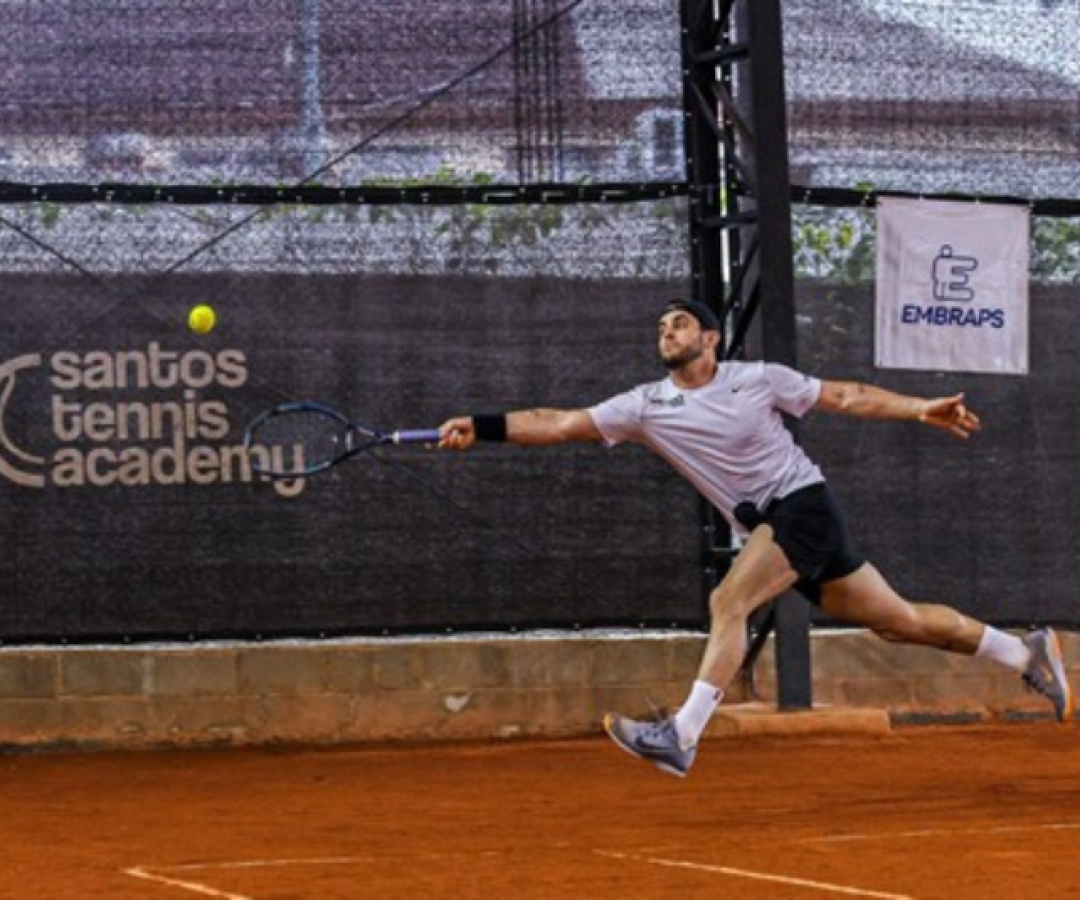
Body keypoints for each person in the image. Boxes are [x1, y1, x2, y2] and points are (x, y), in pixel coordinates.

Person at [437, 299, 1074, 778]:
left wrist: (918, 407)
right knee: (899, 622)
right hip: (777, 525)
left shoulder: (759, 379)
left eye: (680, 323)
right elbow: (558, 422)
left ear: (710, 338)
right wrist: (482, 426)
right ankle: (1024, 654)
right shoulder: (645, 406)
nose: (668, 332)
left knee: (728, 601)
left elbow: (846, 396)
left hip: (802, 507)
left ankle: (682, 735)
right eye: (661, 327)